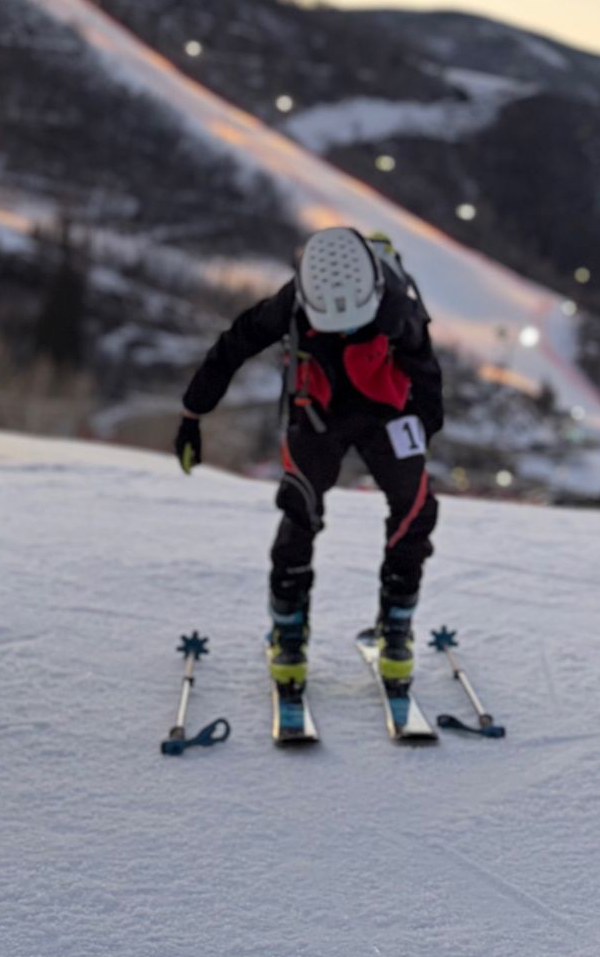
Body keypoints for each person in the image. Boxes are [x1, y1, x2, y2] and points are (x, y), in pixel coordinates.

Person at [174, 227, 443, 697]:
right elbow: (234, 344)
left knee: (404, 507)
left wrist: (194, 413)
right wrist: (193, 411)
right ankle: (345, 637)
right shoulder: (296, 301)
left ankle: (323, 638)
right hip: (338, 411)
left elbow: (425, 371)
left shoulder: (396, 305)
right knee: (316, 507)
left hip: (357, 410)